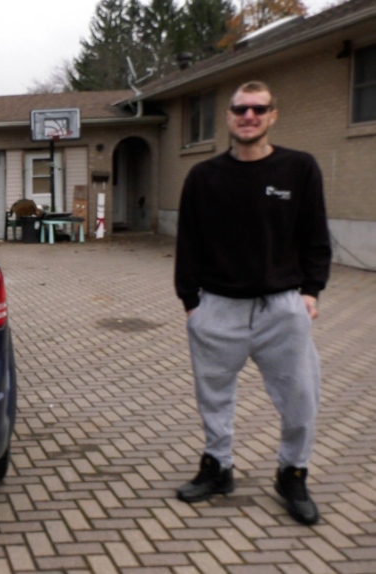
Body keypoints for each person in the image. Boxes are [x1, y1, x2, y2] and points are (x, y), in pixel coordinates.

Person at [174, 81, 331, 525]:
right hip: (217, 308)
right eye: (240, 109)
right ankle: (218, 467)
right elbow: (189, 243)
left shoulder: (299, 169)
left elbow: (315, 237)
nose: (249, 116)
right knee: (214, 398)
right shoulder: (203, 177)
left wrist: (310, 292)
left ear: (273, 115)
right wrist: (191, 303)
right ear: (228, 117)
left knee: (301, 397)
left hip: (282, 309)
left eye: (258, 109)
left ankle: (292, 473)